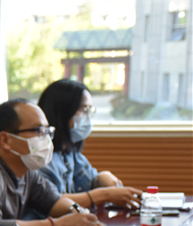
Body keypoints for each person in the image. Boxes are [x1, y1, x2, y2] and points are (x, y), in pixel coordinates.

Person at [0, 99, 104, 226]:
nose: (46, 139)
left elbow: (54, 201)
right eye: (39, 131)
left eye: (48, 131)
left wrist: (78, 214)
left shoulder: (25, 169)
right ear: (5, 140)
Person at [38, 79, 141, 209]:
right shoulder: (39, 157)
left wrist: (101, 178)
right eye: (83, 109)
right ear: (60, 112)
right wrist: (105, 195)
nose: (88, 117)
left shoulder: (70, 152)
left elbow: (88, 179)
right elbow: (50, 200)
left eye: (90, 110)